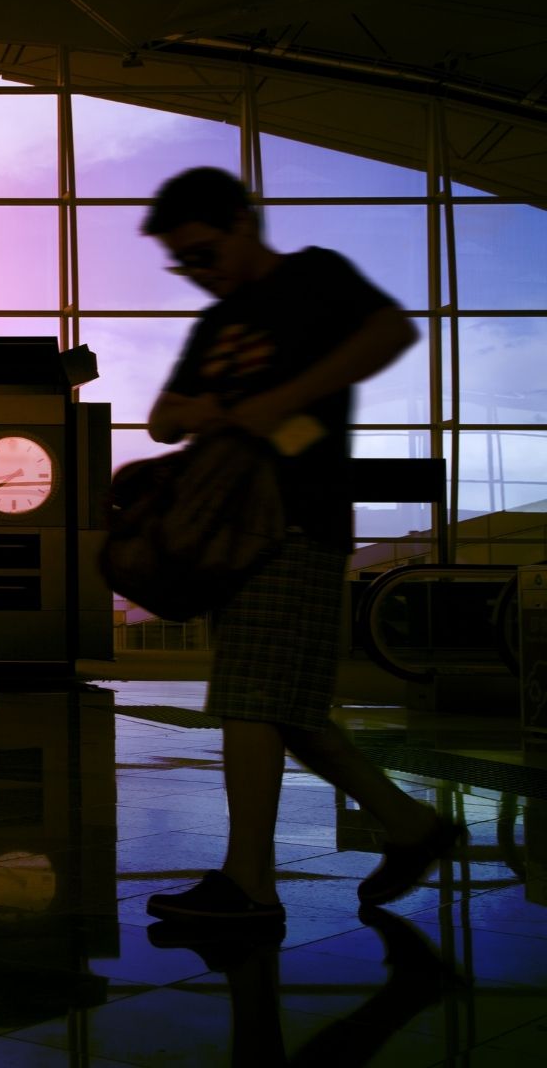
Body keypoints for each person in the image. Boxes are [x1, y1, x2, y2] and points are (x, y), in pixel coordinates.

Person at [140, 168, 462, 926]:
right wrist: (231, 408)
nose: (198, 273)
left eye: (204, 252)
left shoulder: (314, 277)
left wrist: (278, 402)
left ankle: (248, 883)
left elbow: (390, 331)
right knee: (288, 709)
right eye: (182, 263)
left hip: (296, 522)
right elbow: (162, 418)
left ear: (244, 225)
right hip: (235, 535)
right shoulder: (215, 326)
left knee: (251, 698)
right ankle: (412, 826)